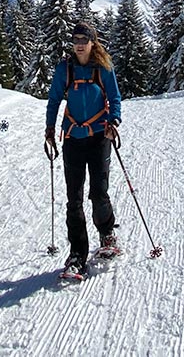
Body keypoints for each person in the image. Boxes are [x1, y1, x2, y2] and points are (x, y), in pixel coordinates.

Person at [45, 22, 123, 278]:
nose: (79, 43)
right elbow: (54, 99)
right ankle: (78, 254)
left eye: (84, 39)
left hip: (100, 137)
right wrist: (49, 129)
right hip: (72, 139)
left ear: (92, 42)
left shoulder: (103, 67)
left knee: (99, 192)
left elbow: (115, 97)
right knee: (74, 199)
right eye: (76, 39)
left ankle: (107, 233)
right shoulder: (64, 69)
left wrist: (114, 121)